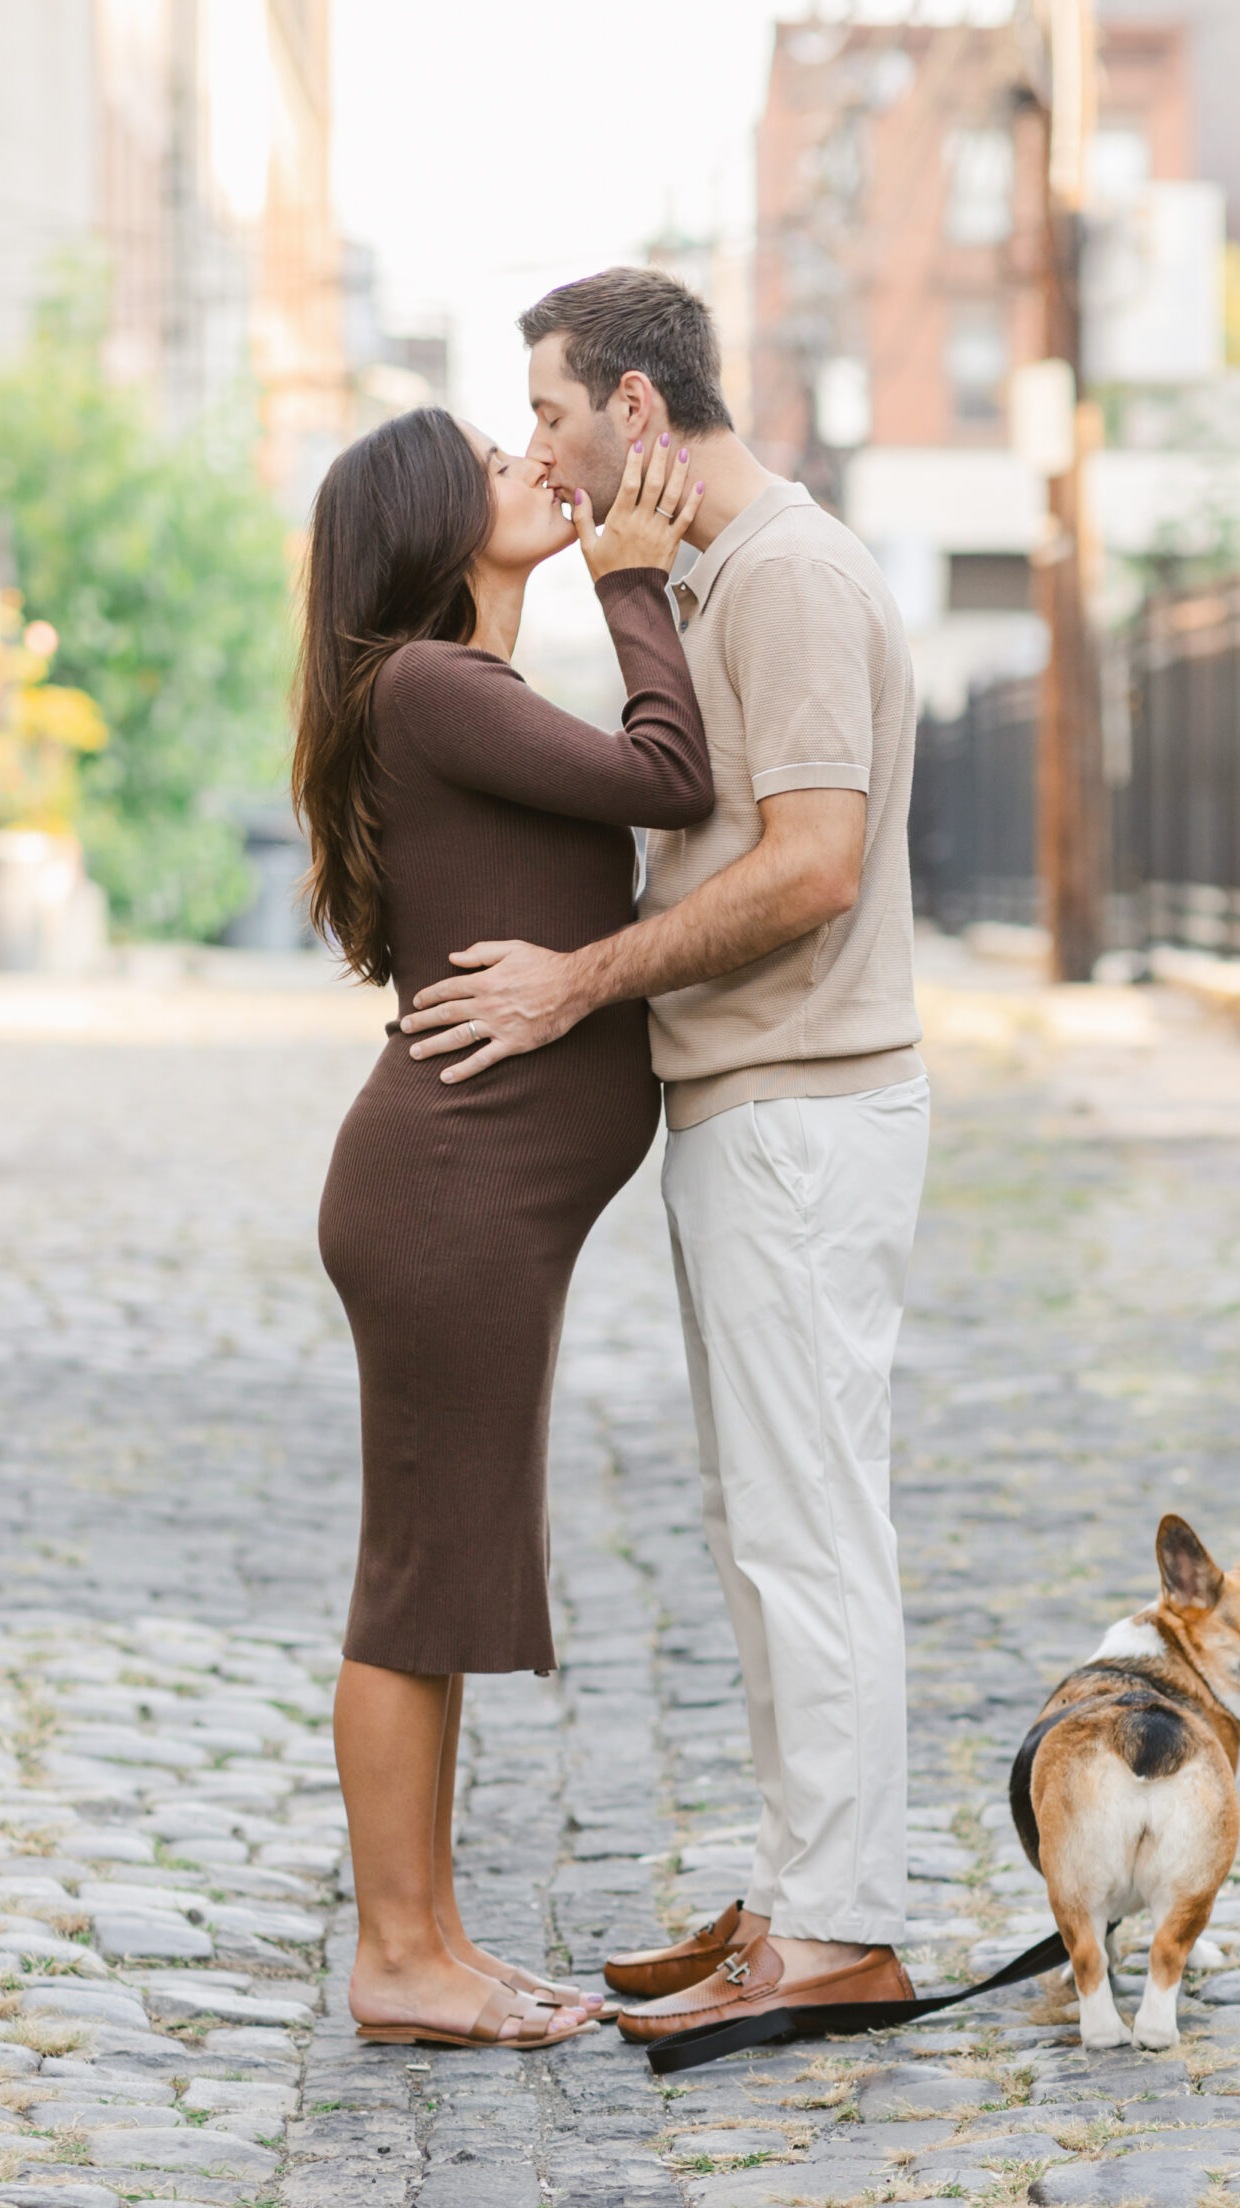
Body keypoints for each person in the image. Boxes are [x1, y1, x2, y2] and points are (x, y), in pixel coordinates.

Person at [400, 269, 929, 2050]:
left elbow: (810, 866)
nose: (533, 443)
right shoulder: (705, 575)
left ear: (635, 407)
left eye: (546, 409)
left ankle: (845, 1927)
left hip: (799, 1106)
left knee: (808, 1531)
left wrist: (580, 983)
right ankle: (801, 1892)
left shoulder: (780, 574)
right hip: (751, 1112)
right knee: (763, 1523)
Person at [295, 405, 714, 2050]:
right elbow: (671, 776)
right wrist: (637, 583)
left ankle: (436, 1943)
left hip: (471, 1204)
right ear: (424, 524)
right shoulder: (432, 688)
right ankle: (396, 1960)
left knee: (448, 1570)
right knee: (417, 1582)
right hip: (447, 1200)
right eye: (491, 462)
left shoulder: (453, 694)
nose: (529, 463)